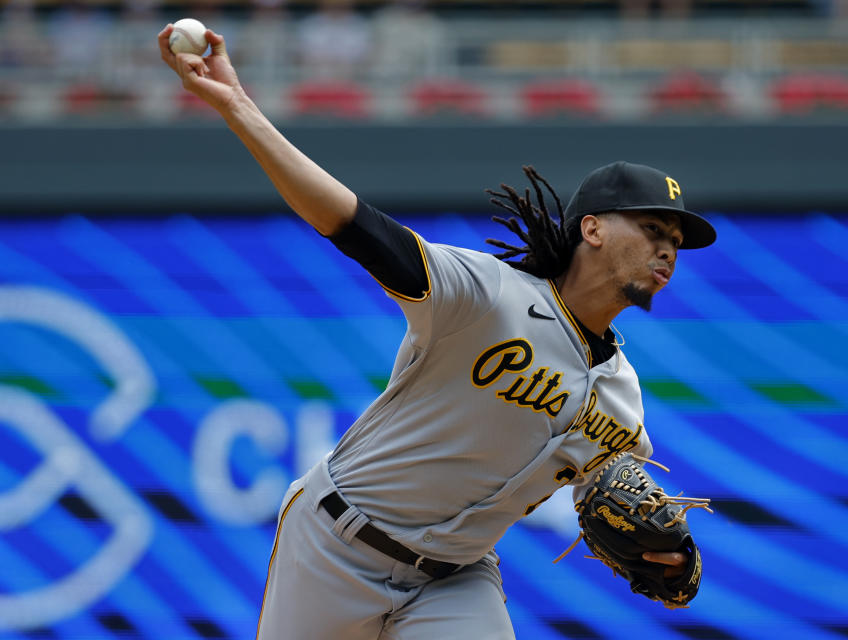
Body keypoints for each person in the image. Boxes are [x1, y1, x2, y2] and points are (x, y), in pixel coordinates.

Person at [157, 25, 716, 640]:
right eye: (654, 230)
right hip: (334, 545)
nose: (669, 250)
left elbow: (608, 496)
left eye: (676, 242)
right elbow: (350, 221)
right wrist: (238, 106)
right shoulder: (485, 294)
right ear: (592, 230)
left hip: (456, 577)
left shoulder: (623, 397)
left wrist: (671, 554)